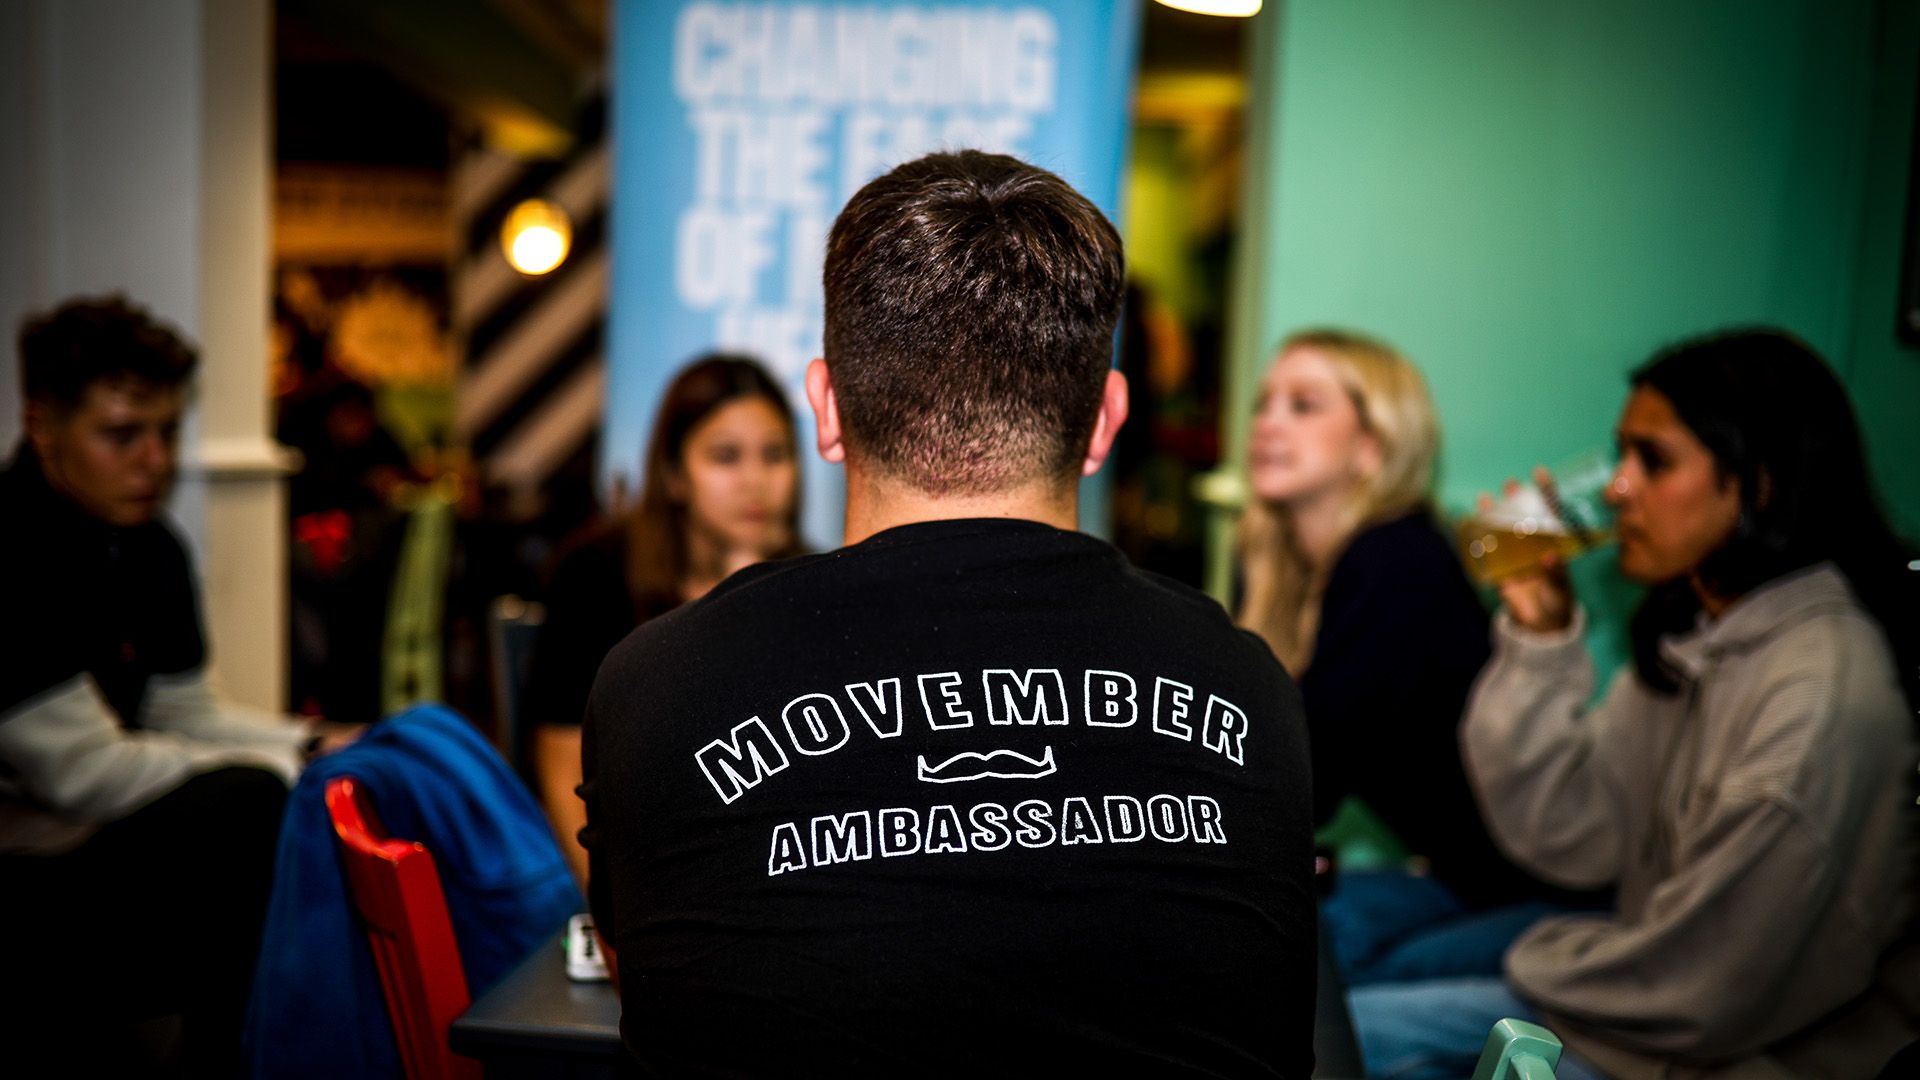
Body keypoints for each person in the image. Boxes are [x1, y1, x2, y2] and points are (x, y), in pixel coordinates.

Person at [580, 151, 1318, 1077]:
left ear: (827, 410)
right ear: (1105, 420)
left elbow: (641, 976)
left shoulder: (654, 685)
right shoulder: (1251, 689)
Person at [1352, 328, 1920, 1080]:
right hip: (1649, 1002)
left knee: (1347, 1031)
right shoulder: (1701, 637)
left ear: (1759, 483)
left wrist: (1544, 961)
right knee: (1353, 992)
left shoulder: (1818, 698)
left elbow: (1709, 986)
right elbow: (1573, 832)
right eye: (1621, 455)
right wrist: (1540, 634)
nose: (1618, 488)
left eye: (1652, 461)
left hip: (1729, 1056)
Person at [0, 296, 357, 1074]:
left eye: (166, 432)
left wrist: (311, 742)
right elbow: (83, 773)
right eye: (122, 435)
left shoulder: (150, 544)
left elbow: (184, 714)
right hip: (26, 859)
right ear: (42, 425)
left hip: (90, 837)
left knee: (341, 776)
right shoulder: (12, 549)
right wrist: (280, 770)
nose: (154, 460)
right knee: (248, 809)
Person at [1239, 329, 1586, 985]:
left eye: (1304, 405)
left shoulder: (1396, 557)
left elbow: (1303, 776)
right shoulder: (1284, 570)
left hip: (1537, 897)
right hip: (1462, 877)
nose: (1267, 424)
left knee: (1311, 982)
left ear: (1372, 448)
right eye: (1264, 403)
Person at [523, 354, 802, 884]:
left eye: (775, 454)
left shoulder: (810, 583)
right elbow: (561, 767)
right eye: (726, 457)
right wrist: (616, 921)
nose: (755, 481)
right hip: (613, 880)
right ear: (674, 474)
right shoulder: (595, 574)